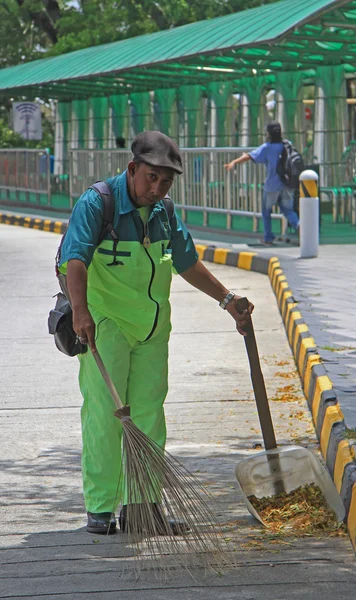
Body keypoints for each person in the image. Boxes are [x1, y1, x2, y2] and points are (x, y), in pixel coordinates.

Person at [58, 131, 253, 535]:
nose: (157, 187)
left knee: (149, 415)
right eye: (151, 177)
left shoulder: (164, 210)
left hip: (152, 330)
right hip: (104, 326)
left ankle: (142, 508)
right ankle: (99, 508)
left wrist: (227, 299)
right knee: (105, 415)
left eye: (166, 181)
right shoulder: (99, 203)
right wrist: (80, 312)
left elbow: (185, 261)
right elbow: (75, 259)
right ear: (132, 169)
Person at [224, 121, 299, 246]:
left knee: (266, 211)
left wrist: (234, 162)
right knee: (288, 210)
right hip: (287, 184)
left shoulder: (267, 147)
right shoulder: (287, 145)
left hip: (272, 186)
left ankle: (268, 238)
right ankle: (299, 226)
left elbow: (249, 156)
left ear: (268, 133)